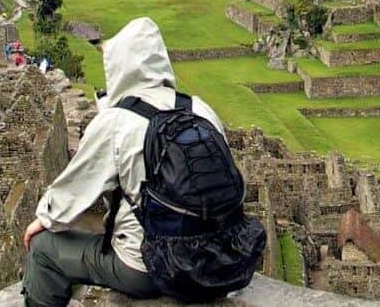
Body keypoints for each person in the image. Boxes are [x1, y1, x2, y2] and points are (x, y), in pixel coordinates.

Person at [22, 18, 259, 307]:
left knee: (44, 249)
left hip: (151, 269)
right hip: (219, 262)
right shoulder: (200, 110)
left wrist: (43, 219)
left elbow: (74, 190)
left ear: (120, 65)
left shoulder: (117, 120)